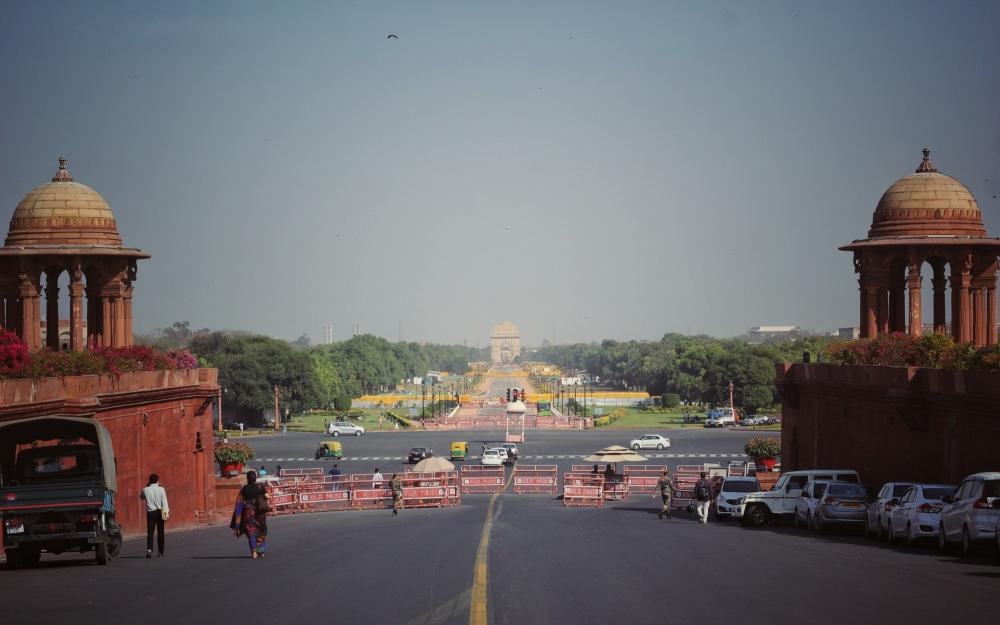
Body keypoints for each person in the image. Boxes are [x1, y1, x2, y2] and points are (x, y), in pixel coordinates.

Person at [231, 471, 269, 559]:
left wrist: (237, 518)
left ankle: (254, 552)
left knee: (251, 532)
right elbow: (267, 496)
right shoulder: (260, 486)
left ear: (247, 478)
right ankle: (261, 551)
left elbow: (239, 502)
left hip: (248, 513)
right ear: (255, 478)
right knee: (261, 531)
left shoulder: (244, 488)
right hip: (260, 514)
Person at [140, 474, 169, 558]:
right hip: (160, 512)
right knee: (160, 532)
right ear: (157, 481)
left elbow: (141, 497)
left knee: (150, 532)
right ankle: (160, 552)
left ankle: (149, 550)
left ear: (149, 481)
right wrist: (166, 513)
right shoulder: (161, 489)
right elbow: (164, 501)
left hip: (150, 513)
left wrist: (146, 487)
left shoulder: (145, 489)